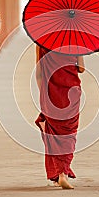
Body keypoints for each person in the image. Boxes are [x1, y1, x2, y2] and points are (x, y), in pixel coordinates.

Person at [35, 46, 85, 189]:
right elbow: (81, 68)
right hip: (71, 92)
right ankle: (63, 172)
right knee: (69, 131)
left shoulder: (41, 40)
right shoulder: (74, 40)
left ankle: (59, 174)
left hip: (50, 92)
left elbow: (38, 73)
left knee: (53, 131)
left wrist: (44, 93)